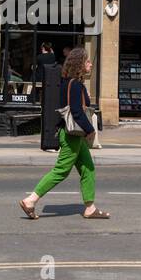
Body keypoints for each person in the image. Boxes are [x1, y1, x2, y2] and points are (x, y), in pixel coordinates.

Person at [20, 47, 109, 220]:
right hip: (71, 135)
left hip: (75, 135)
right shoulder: (74, 84)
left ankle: (90, 208)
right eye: (87, 61)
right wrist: (90, 130)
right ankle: (30, 200)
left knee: (88, 168)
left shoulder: (70, 83)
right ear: (79, 64)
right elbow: (76, 111)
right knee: (61, 170)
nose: (90, 63)